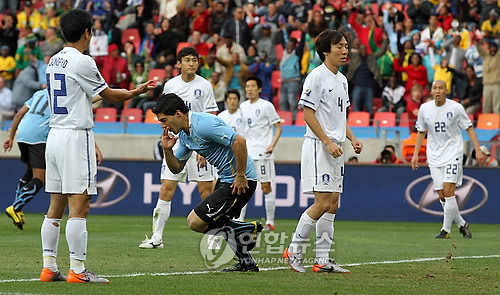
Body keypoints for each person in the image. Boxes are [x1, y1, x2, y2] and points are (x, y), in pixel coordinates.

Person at [41, 9, 152, 283]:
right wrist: (135, 92)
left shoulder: (53, 61)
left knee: (55, 204)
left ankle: (49, 267)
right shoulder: (84, 61)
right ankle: (77, 271)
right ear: (88, 32)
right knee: (80, 203)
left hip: (54, 134)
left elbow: (79, 98)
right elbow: (110, 96)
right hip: (75, 136)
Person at [153, 93, 262, 272]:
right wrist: (167, 150)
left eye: (164, 120)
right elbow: (176, 168)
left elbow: (239, 141)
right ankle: (247, 262)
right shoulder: (185, 135)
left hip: (240, 181)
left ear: (178, 114)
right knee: (220, 221)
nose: (163, 125)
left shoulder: (204, 124)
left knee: (195, 222)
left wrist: (241, 175)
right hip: (226, 178)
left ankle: (248, 228)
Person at [283, 29, 363, 273]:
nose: (345, 50)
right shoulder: (316, 77)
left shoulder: (342, 79)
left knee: (333, 204)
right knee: (322, 201)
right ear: (325, 50)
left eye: (346, 46)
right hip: (319, 146)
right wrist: (328, 141)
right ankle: (293, 250)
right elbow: (308, 114)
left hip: (335, 148)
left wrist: (352, 138)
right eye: (339, 46)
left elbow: (341, 117)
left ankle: (322, 259)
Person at [139, 47, 219, 249]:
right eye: (187, 60)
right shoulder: (171, 85)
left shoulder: (205, 85)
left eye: (194, 60)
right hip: (178, 142)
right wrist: (166, 134)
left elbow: (211, 116)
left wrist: (206, 147)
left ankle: (214, 235)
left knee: (207, 191)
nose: (192, 63)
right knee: (166, 188)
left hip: (200, 143)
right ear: (179, 63)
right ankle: (156, 237)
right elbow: (163, 113)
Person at [411, 80, 485, 239]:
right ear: (431, 91)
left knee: (448, 190)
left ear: (446, 90)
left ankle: (445, 230)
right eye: (434, 88)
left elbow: (469, 128)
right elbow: (421, 132)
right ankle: (462, 224)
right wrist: (416, 153)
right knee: (442, 195)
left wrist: (478, 149)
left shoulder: (456, 108)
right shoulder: (425, 108)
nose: (437, 91)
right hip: (434, 155)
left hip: (453, 153)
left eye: (440, 88)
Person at [3, 89, 50, 229]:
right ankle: (16, 207)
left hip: (22, 135)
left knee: (30, 172)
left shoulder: (39, 93)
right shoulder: (61, 96)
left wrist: (10, 137)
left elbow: (19, 114)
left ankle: (18, 210)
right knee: (40, 178)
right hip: (38, 138)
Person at [240, 76, 282, 231]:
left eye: (252, 86)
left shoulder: (266, 106)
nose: (249, 89)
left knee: (266, 187)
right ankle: (239, 220)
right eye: (247, 86)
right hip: (247, 154)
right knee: (242, 187)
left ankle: (270, 222)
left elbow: (278, 127)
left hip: (263, 152)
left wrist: (272, 145)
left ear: (259, 89)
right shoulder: (242, 107)